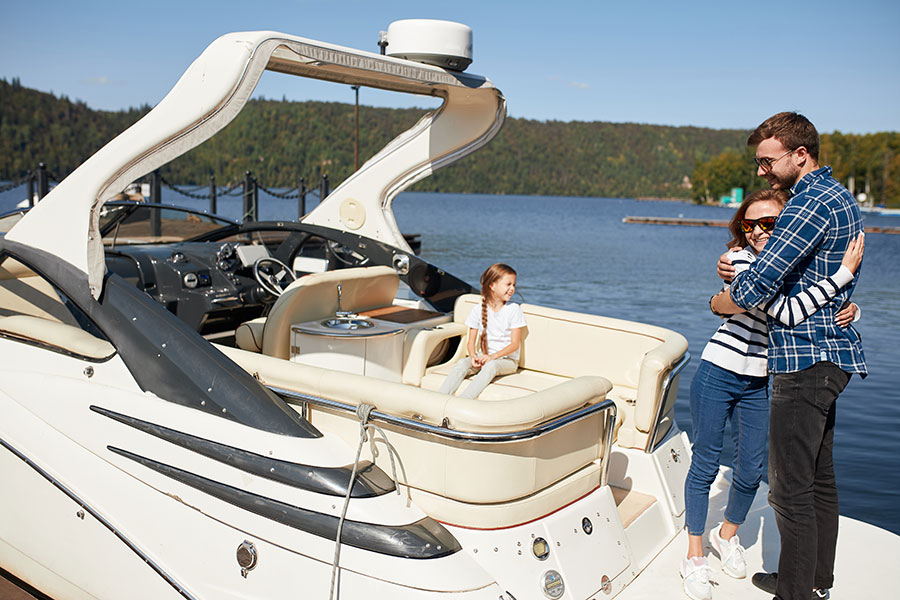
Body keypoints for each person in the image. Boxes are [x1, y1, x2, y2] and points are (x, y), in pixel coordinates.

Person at [710, 112, 866, 600]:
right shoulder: (841, 198)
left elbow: (759, 282)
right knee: (819, 479)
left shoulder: (806, 204)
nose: (761, 173)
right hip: (831, 355)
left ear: (801, 154)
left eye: (767, 162)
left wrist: (725, 292)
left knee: (789, 488)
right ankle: (815, 578)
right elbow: (825, 274)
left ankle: (794, 592)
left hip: (802, 357)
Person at [438, 263, 526, 399]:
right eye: (508, 284)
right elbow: (470, 342)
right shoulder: (478, 309)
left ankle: (464, 400)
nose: (512, 289)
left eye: (514, 285)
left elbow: (514, 345)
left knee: (491, 366)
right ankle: (440, 398)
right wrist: (473, 356)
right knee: (462, 364)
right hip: (483, 356)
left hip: (506, 361)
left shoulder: (514, 309)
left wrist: (492, 357)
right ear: (492, 285)